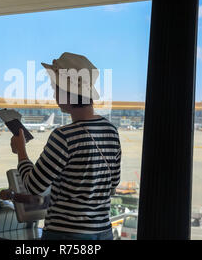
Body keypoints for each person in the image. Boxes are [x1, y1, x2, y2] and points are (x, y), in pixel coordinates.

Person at [9, 52, 122, 240]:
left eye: (55, 88)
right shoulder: (112, 131)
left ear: (67, 93)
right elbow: (113, 183)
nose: (53, 93)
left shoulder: (63, 136)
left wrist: (21, 151)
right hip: (103, 231)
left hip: (66, 234)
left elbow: (33, 186)